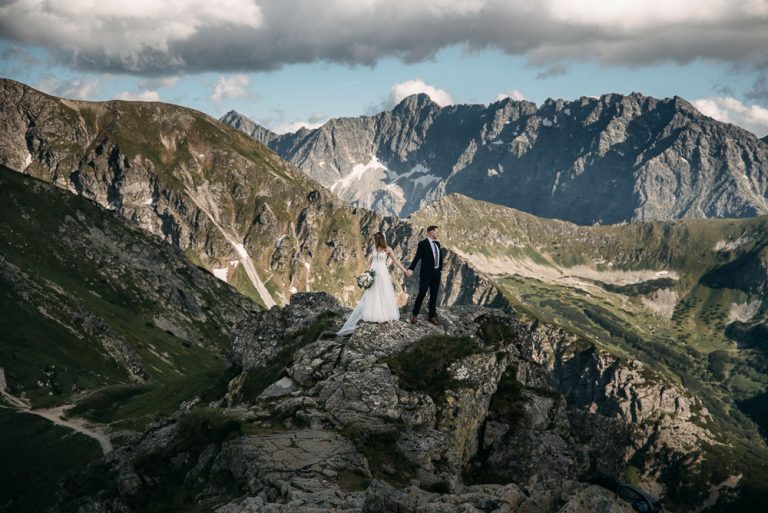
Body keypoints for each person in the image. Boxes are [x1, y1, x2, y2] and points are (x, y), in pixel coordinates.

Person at [337, 232, 409, 336]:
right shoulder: (374, 248)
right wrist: (368, 274)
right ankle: (375, 313)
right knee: (373, 293)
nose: (375, 241)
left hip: (382, 273)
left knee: (382, 293)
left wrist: (405, 270)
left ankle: (382, 314)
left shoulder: (388, 249)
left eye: (376, 239)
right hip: (374, 272)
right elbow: (372, 262)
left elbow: (396, 261)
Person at [406, 225, 443, 325]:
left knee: (434, 295)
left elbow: (440, 257)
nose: (437, 233)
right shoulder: (422, 244)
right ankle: (414, 315)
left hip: (436, 274)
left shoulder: (437, 244)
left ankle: (431, 316)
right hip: (426, 274)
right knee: (422, 294)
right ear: (431, 232)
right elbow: (417, 257)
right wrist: (411, 269)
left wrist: (440, 270)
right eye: (436, 232)